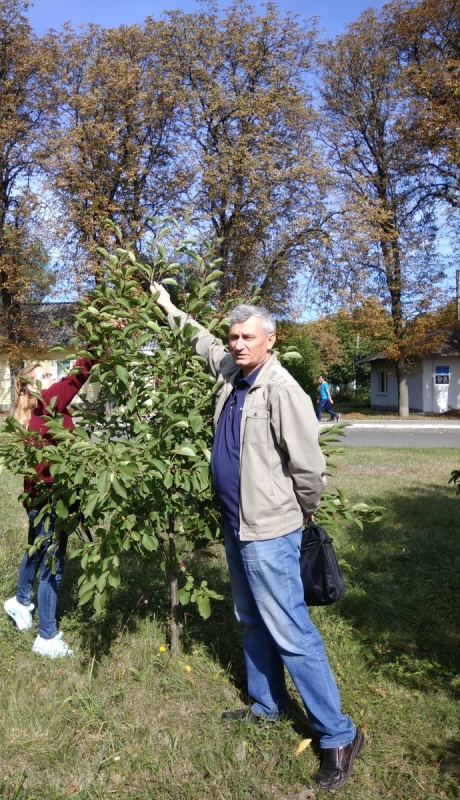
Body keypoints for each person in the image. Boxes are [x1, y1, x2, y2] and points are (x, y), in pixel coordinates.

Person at [149, 282, 364, 792]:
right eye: (234, 337)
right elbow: (201, 341)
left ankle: (338, 734)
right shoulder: (234, 373)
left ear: (270, 340)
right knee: (250, 619)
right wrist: (167, 307)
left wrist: (296, 514)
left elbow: (309, 468)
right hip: (236, 524)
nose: (238, 344)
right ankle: (268, 705)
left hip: (270, 530)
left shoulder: (281, 389)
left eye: (248, 337)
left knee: (291, 630)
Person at [3, 357, 95, 658]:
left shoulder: (32, 410)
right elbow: (78, 376)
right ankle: (47, 636)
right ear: (31, 385)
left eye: (52, 371)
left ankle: (19, 601)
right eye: (44, 373)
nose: (53, 376)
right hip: (53, 500)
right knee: (53, 565)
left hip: (37, 499)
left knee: (36, 550)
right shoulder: (49, 402)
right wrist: (101, 337)